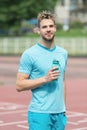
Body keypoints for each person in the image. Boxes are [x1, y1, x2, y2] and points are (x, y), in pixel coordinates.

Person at [16, 10, 68, 130]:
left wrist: (63, 108)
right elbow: (19, 85)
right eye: (44, 27)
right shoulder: (29, 54)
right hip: (40, 114)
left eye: (51, 26)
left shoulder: (63, 53)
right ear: (38, 30)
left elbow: (62, 81)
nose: (48, 29)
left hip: (59, 114)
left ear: (55, 28)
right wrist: (45, 79)